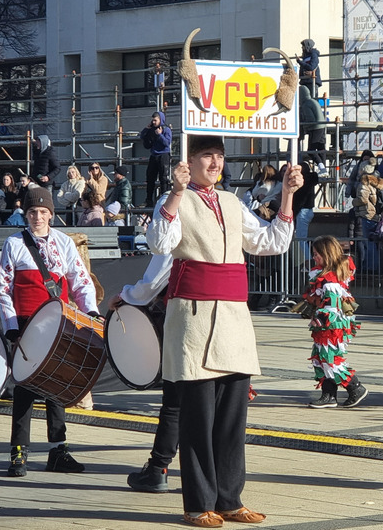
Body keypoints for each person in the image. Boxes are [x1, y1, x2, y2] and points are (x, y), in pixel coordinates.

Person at [146, 134, 301, 527]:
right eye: (206, 156)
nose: (215, 163)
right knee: (198, 418)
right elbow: (159, 243)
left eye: (219, 156)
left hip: (233, 319)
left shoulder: (233, 202)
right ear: (189, 160)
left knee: (233, 418)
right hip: (194, 320)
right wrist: (177, 194)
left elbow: (271, 242)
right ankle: (198, 504)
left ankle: (230, 499)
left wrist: (286, 195)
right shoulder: (175, 201)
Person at [0, 190, 99, 477]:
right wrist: (12, 325)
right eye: (32, 212)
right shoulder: (13, 243)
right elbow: (3, 288)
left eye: (43, 212)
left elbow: (80, 280)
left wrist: (89, 313)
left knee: (58, 386)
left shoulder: (64, 243)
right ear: (25, 214)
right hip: (27, 323)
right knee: (26, 388)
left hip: (60, 324)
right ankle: (19, 452)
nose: (37, 217)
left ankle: (58, 449)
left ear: (52, 214)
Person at [106, 254, 176, 492]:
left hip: (186, 317)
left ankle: (157, 469)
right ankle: (212, 474)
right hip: (228, 317)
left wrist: (124, 296)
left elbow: (153, 281)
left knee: (176, 402)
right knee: (210, 403)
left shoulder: (179, 220)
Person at [300, 235, 367, 408]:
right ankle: (329, 395)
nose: (314, 257)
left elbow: (332, 302)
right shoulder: (322, 274)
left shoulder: (330, 278)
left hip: (333, 324)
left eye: (317, 254)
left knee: (329, 358)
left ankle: (355, 387)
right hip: (326, 323)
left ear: (327, 253)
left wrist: (320, 318)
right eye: (314, 254)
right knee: (320, 357)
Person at [140, 111, 173, 207]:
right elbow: (142, 136)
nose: (153, 122)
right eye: (152, 120)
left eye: (155, 120)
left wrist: (159, 135)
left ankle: (164, 198)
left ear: (160, 120)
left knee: (163, 177)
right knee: (150, 178)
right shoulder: (152, 129)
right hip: (154, 155)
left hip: (163, 155)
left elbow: (167, 143)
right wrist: (147, 128)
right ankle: (149, 199)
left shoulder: (166, 129)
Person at [298, 87, 328, 175]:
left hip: (315, 128)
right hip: (322, 126)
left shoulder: (306, 104)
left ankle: (322, 168)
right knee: (321, 149)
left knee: (311, 150)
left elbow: (310, 119)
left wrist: (305, 127)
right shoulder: (314, 101)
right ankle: (324, 169)